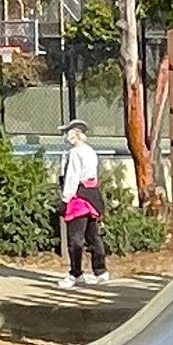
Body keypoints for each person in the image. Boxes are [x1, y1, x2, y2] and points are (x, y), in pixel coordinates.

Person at [57, 119, 107, 287]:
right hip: (92, 195)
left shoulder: (75, 153)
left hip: (78, 198)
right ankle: (100, 271)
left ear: (75, 134)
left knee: (75, 238)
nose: (66, 137)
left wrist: (65, 199)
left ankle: (75, 273)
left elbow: (72, 176)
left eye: (68, 133)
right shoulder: (91, 151)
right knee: (93, 236)